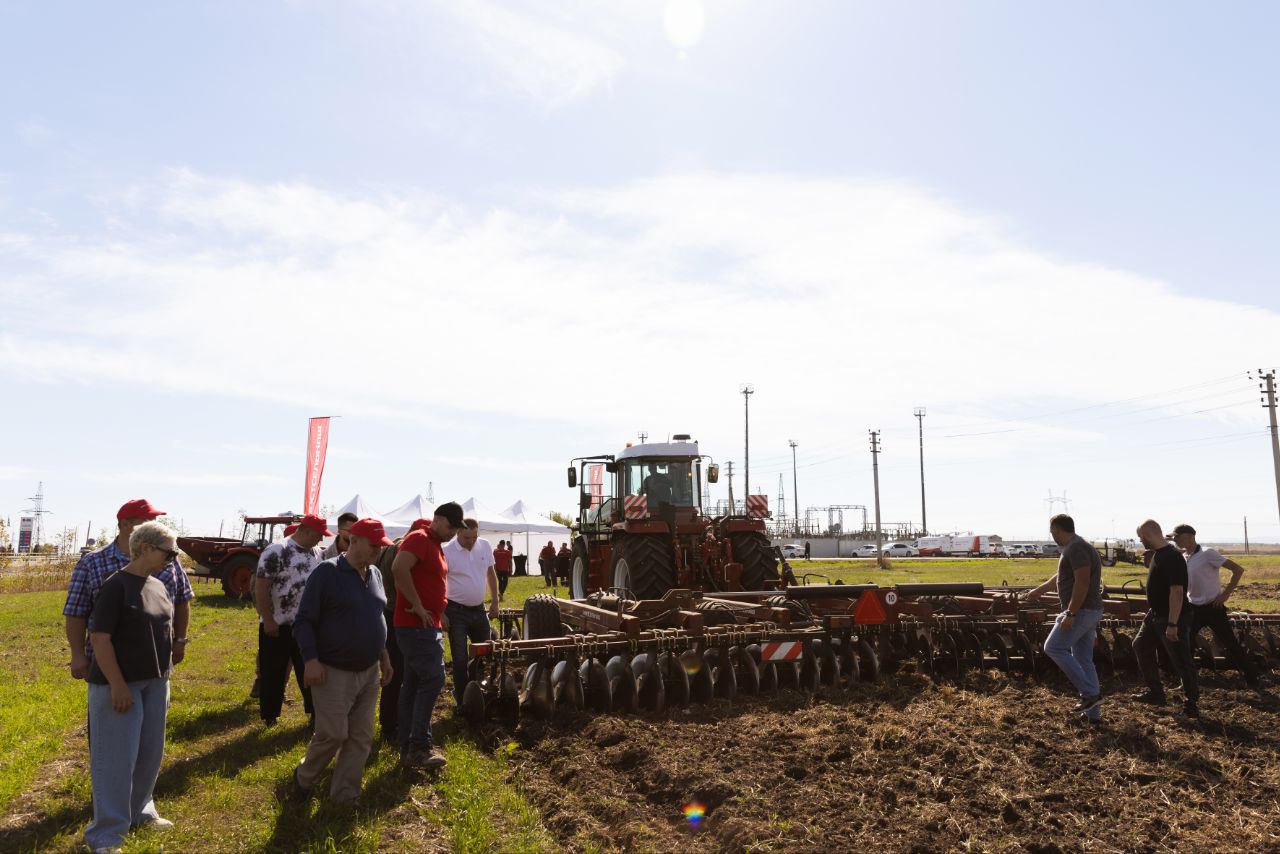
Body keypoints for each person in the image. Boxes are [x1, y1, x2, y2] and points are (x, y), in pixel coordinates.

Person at [82, 521, 180, 852]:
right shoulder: (116, 586)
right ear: (145, 549)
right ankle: (106, 835)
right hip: (119, 686)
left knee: (149, 754)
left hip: (155, 683)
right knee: (115, 759)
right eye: (169, 551)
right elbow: (100, 638)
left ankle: (141, 811)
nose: (174, 557)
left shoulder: (159, 585)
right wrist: (117, 685)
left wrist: (164, 677)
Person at [289, 518, 395, 806]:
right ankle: (304, 777)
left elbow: (377, 617)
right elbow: (304, 621)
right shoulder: (328, 571)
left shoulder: (374, 574)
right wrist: (310, 660)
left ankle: (345, 795)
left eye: (380, 546)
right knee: (333, 734)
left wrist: (384, 656)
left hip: (369, 670)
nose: (377, 551)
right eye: (373, 545)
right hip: (333, 668)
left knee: (360, 737)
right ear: (353, 541)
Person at [64, 500, 193, 717]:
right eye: (148, 521)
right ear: (125, 524)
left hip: (155, 664)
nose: (155, 525)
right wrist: (77, 654)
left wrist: (180, 640)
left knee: (148, 736)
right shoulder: (93, 562)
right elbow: (77, 611)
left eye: (156, 520)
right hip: (113, 664)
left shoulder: (168, 560)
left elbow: (181, 599)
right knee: (115, 733)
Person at [391, 503, 465, 770]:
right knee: (434, 677)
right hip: (415, 624)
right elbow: (399, 569)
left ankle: (408, 747)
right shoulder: (419, 538)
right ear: (437, 519)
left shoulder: (435, 545)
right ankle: (420, 746)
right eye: (450, 526)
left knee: (412, 684)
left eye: (457, 529)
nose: (453, 532)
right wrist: (419, 606)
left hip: (426, 624)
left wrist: (438, 611)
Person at [1023, 514, 1105, 724]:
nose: (1053, 537)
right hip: (1088, 611)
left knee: (1053, 648)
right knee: (1084, 660)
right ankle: (1093, 716)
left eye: (1053, 533)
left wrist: (1070, 613)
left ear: (1058, 529)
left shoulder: (1076, 548)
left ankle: (1090, 694)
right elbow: (1059, 578)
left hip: (1081, 611)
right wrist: (1037, 592)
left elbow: (1082, 582)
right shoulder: (1073, 548)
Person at [254, 513, 328, 727]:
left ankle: (314, 713)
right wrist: (268, 619)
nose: (321, 540)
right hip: (278, 624)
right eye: (318, 534)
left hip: (308, 627)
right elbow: (261, 586)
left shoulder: (316, 553)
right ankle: (270, 715)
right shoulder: (277, 550)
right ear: (304, 530)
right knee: (273, 671)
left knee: (310, 671)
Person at [1173, 523, 1261, 688]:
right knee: (1186, 645)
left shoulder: (1207, 553)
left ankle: (1252, 680)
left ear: (1190, 536)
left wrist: (1225, 594)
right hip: (1194, 609)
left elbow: (1238, 570)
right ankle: (1187, 682)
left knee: (1231, 644)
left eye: (1178, 537)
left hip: (1213, 608)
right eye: (1175, 538)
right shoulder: (1184, 556)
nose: (1176, 540)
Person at [1131, 519, 1200, 717]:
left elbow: (1177, 592)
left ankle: (1191, 704)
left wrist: (1172, 623)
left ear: (1148, 535)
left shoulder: (1172, 557)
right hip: (1156, 615)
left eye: (1141, 538)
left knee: (1181, 660)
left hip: (1172, 617)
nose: (1140, 541)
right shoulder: (1158, 555)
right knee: (1141, 646)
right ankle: (1155, 693)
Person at [443, 518, 499, 706]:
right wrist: (442, 611)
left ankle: (477, 693)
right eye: (467, 537)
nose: (471, 541)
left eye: (474, 537)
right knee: (459, 660)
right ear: (458, 532)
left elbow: (491, 573)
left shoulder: (484, 545)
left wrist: (495, 601)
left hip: (479, 609)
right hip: (455, 611)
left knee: (482, 654)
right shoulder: (447, 551)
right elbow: (440, 582)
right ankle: (462, 701)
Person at [374, 536, 404, 742]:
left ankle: (389, 721)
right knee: (397, 671)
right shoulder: (400, 551)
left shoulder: (386, 550)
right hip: (398, 615)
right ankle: (391, 723)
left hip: (388, 612)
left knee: (394, 670)